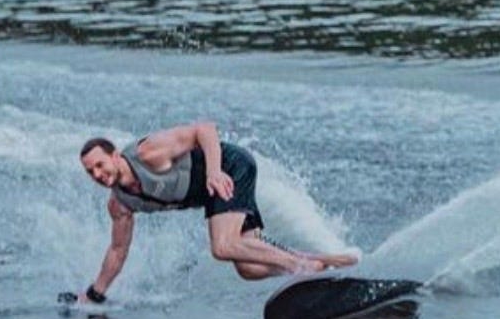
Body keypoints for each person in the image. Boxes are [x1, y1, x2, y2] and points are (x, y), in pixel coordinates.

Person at [73, 121, 357, 304]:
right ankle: (333, 263)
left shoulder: (149, 153)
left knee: (223, 247)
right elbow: (117, 250)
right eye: (90, 172)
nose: (97, 174)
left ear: (114, 156)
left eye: (100, 165)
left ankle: (303, 268)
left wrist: (213, 172)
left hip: (230, 168)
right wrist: (95, 294)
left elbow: (204, 130)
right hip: (215, 193)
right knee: (249, 268)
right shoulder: (120, 204)